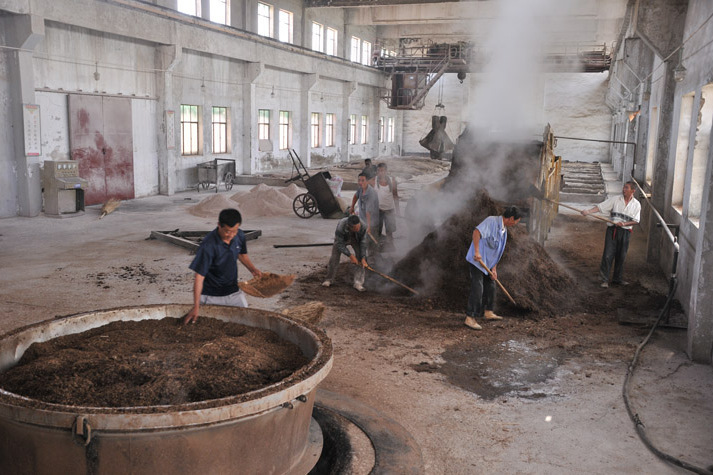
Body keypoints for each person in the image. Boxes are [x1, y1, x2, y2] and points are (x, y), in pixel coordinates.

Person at [184, 208, 262, 324]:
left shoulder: (239, 235)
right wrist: (196, 306)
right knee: (205, 324)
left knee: (248, 320)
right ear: (219, 225)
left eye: (234, 231)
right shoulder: (208, 245)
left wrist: (253, 269)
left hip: (233, 291)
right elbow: (199, 278)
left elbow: (241, 254)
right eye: (227, 231)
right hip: (210, 296)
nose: (231, 235)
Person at [464, 206, 522, 330]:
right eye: (516, 221)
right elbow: (476, 232)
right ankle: (470, 317)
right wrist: (477, 252)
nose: (516, 224)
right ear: (511, 218)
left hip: (489, 264)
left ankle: (488, 311)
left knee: (491, 285)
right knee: (477, 287)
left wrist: (494, 268)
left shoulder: (504, 231)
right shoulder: (491, 221)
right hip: (477, 261)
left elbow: (497, 251)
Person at [582, 181, 641, 288]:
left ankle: (617, 279)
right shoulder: (615, 199)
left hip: (625, 232)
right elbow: (600, 207)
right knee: (608, 254)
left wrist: (624, 223)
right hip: (612, 230)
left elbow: (636, 221)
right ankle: (604, 279)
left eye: (626, 188)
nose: (624, 190)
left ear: (633, 191)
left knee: (621, 256)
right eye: (624, 187)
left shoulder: (636, 205)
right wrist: (588, 211)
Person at [322, 215, 369, 291]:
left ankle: (358, 282)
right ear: (350, 227)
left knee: (361, 257)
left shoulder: (363, 226)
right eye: (356, 228)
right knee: (334, 258)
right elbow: (339, 244)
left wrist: (363, 257)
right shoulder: (341, 226)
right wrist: (350, 256)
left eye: (358, 227)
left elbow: (363, 243)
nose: (358, 229)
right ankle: (329, 279)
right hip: (342, 240)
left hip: (356, 239)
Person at [374, 163, 400, 242]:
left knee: (389, 231)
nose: (380, 173)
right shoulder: (374, 180)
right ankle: (376, 249)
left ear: (386, 171)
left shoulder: (392, 180)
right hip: (378, 210)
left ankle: (390, 248)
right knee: (377, 231)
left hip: (389, 210)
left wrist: (398, 210)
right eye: (379, 171)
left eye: (382, 171)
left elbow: (395, 196)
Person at [351, 172, 380, 237]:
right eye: (359, 180)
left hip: (372, 223)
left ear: (367, 181)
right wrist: (352, 207)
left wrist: (369, 226)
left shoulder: (371, 193)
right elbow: (355, 196)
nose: (360, 182)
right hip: (363, 221)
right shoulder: (360, 189)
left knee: (371, 242)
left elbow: (368, 212)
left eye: (363, 180)